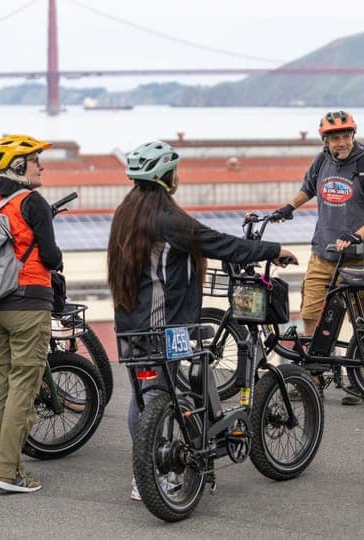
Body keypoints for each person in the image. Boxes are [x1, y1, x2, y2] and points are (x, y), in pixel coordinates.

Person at [107, 140, 297, 501]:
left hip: (131, 323)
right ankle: (157, 474)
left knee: (145, 398)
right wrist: (274, 250)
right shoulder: (167, 219)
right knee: (163, 396)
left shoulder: (127, 211)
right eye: (174, 171)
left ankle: (146, 473)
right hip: (164, 326)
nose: (178, 176)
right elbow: (219, 243)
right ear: (165, 176)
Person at [273, 110, 364, 405]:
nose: (341, 142)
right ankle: (314, 373)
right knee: (311, 313)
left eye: (345, 136)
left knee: (363, 320)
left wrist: (358, 235)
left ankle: (357, 380)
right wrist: (288, 207)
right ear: (325, 141)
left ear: (353, 135)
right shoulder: (322, 161)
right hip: (324, 253)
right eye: (335, 138)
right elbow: (308, 188)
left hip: (361, 257)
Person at [0, 134, 63, 493]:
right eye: (34, 160)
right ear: (18, 166)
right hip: (28, 304)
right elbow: (49, 256)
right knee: (23, 388)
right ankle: (9, 474)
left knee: (2, 384)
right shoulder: (34, 202)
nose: (41, 165)